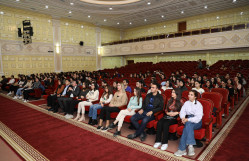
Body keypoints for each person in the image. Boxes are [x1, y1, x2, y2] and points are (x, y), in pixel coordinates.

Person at [174, 90, 203, 157]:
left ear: (195, 97)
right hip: (188, 120)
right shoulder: (186, 103)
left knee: (188, 125)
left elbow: (198, 118)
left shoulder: (198, 104)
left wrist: (188, 119)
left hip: (197, 122)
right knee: (188, 126)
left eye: (191, 95)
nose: (189, 96)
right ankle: (190, 146)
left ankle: (182, 149)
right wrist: (183, 118)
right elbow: (182, 111)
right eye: (189, 94)